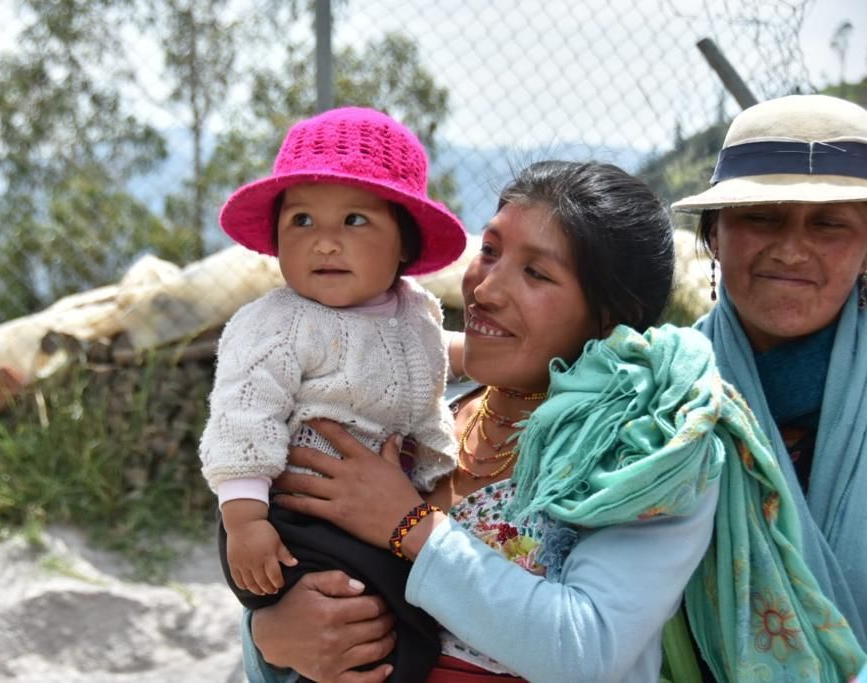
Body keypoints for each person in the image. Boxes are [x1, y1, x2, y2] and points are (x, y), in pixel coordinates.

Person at [242, 159, 867, 683]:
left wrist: (409, 525)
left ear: (606, 317)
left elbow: (586, 649)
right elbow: (289, 568)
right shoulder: (423, 416)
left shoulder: (639, 454)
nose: (486, 289)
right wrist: (271, 635)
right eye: (489, 252)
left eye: (536, 273)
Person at [198, 106, 467, 681]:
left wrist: (438, 481)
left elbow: (431, 391)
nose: (324, 243)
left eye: (354, 220)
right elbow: (243, 418)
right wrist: (246, 521)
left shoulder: (417, 315)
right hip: (290, 517)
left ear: (404, 244)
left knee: (405, 634)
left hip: (379, 513)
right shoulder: (275, 324)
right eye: (301, 221)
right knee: (336, 611)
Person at [672, 93, 867, 673]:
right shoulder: (660, 395)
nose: (790, 249)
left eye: (829, 223)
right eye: (761, 216)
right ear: (714, 235)